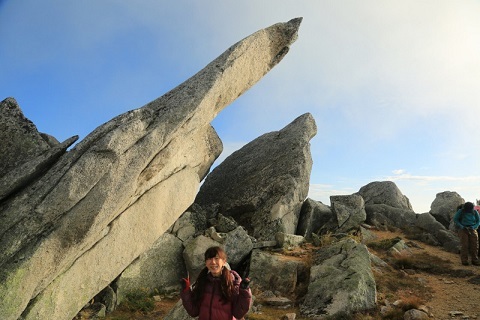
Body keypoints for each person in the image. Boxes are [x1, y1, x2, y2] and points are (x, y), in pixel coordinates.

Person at [180, 246, 252, 320]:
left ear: (224, 262)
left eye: (216, 258)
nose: (213, 262)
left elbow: (238, 313)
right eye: (209, 259)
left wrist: (244, 292)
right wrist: (186, 291)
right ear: (206, 263)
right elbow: (193, 311)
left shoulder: (232, 283)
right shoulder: (203, 282)